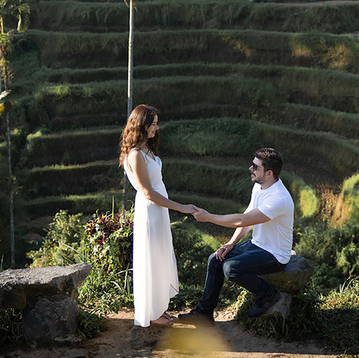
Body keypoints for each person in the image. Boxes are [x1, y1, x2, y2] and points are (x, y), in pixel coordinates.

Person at [180, 147, 294, 326]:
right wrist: (231, 243)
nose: (250, 168)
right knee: (216, 259)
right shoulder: (259, 186)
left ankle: (268, 295)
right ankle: (204, 313)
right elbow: (248, 219)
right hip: (258, 245)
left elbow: (243, 219)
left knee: (231, 268)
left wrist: (209, 217)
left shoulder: (278, 198)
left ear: (269, 172)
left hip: (275, 254)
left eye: (256, 167)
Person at [120, 104, 196, 328]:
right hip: (150, 211)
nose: (156, 128)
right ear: (141, 125)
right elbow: (148, 193)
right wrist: (181, 207)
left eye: (156, 123)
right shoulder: (135, 154)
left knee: (160, 257)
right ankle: (152, 313)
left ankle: (159, 308)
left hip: (158, 212)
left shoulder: (146, 149)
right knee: (151, 259)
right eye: (152, 124)